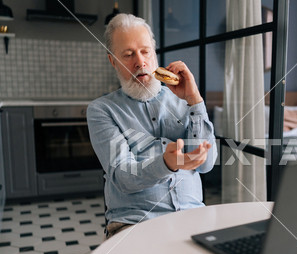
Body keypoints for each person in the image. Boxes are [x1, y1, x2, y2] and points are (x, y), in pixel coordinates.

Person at [87, 13, 217, 239]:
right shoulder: (102, 110)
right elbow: (123, 176)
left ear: (154, 53)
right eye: (128, 55)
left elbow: (206, 165)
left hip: (192, 218)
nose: (140, 62)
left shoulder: (185, 100)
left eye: (145, 51)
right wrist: (166, 163)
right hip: (135, 224)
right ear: (113, 61)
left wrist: (195, 100)